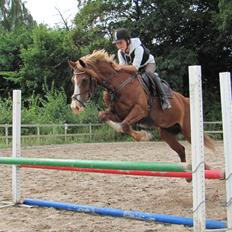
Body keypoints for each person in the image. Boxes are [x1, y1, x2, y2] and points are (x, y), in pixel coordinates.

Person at [112, 28, 171, 110]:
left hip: (148, 64)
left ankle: (164, 99)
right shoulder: (120, 52)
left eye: (120, 43)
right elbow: (123, 66)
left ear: (128, 41)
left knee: (149, 74)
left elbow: (135, 68)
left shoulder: (138, 48)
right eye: (117, 44)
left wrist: (120, 67)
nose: (119, 46)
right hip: (133, 67)